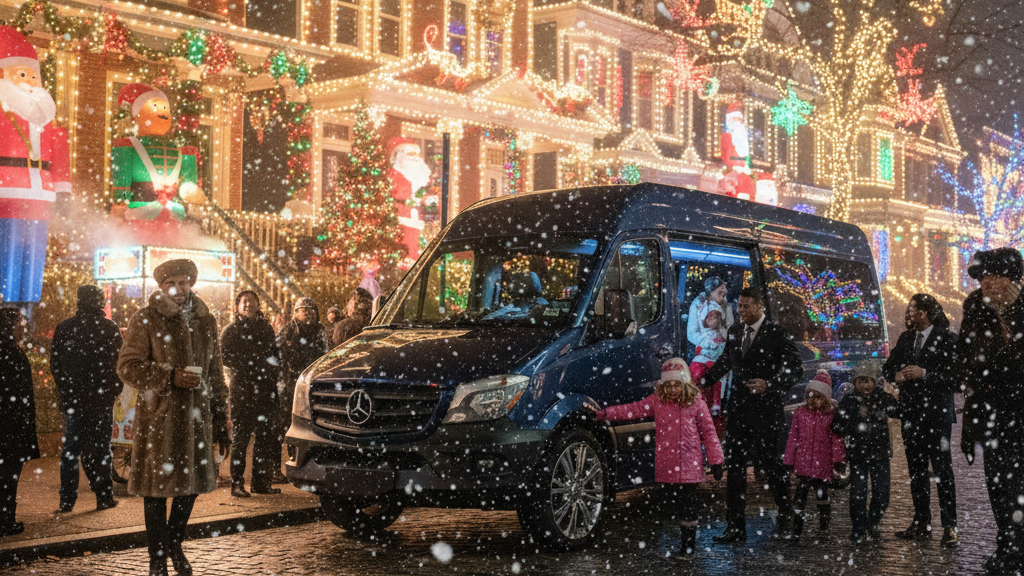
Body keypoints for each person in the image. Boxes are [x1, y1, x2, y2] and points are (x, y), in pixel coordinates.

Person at [116, 259, 230, 576]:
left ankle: (174, 544)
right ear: (161, 286)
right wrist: (169, 377)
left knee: (190, 488)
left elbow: (216, 372)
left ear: (191, 283)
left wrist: (221, 414)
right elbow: (127, 366)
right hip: (160, 421)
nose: (178, 289)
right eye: (171, 283)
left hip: (197, 420)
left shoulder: (206, 320)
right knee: (155, 492)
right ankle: (158, 560)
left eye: (184, 282)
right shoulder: (146, 318)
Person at [697, 286, 803, 542]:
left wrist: (770, 384)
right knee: (735, 468)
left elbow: (795, 368)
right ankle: (735, 526)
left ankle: (785, 510)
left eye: (746, 306)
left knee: (770, 465)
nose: (741, 311)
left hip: (766, 411)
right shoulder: (734, 332)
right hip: (739, 410)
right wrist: (704, 381)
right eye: (739, 306)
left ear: (759, 306)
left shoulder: (776, 333)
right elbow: (726, 362)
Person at [594, 358, 724, 558]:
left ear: (685, 383)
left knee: (688, 505)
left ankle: (688, 547)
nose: (673, 389)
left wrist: (716, 460)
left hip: (690, 464)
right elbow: (633, 409)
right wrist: (606, 414)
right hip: (668, 464)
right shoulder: (658, 401)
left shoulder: (696, 402)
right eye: (669, 385)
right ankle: (681, 541)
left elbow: (708, 431)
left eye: (677, 385)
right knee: (673, 504)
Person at [956, 247, 1024, 575]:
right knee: (997, 486)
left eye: (992, 276)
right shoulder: (975, 308)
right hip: (990, 414)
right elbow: (966, 363)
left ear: (1010, 277)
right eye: (982, 277)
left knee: (1017, 487)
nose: (986, 283)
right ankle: (1008, 545)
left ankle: (1015, 548)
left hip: (1020, 413)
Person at [0, 26, 72, 304]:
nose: (30, 83)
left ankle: (26, 311)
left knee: (34, 256)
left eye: (34, 76)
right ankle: (6, 312)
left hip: (42, 196)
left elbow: (61, 161)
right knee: (8, 253)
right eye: (22, 75)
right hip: (7, 193)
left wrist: (64, 193)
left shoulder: (51, 125)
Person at [882, 293, 959, 546]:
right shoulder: (906, 338)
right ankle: (921, 522)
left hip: (936, 415)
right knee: (916, 471)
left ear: (925, 312)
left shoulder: (947, 339)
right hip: (911, 414)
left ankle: (949, 526)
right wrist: (897, 376)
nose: (909, 313)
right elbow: (888, 368)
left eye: (913, 309)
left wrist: (924, 373)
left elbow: (955, 379)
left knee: (942, 470)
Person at [50, 285, 123, 513]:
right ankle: (103, 495)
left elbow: (57, 365)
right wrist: (112, 390)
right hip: (100, 399)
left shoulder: (65, 328)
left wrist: (66, 391)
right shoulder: (109, 328)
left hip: (75, 399)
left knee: (71, 450)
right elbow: (118, 365)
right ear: (100, 303)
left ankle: (67, 500)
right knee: (101, 449)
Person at [220, 290, 281, 498]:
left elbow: (274, 355)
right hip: (242, 391)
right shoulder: (230, 331)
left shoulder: (266, 328)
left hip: (264, 390)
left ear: (257, 305)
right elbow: (226, 357)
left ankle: (260, 482)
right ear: (237, 306)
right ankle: (237, 483)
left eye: (251, 301)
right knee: (241, 438)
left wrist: (271, 374)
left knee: (264, 438)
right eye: (244, 302)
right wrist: (251, 364)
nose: (248, 305)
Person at [831, 363, 898, 544]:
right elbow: (837, 425)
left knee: (882, 494)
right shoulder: (849, 400)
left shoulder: (883, 398)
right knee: (858, 493)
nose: (864, 386)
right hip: (858, 455)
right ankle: (858, 528)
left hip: (880, 454)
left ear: (874, 382)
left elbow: (899, 410)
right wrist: (851, 427)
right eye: (860, 381)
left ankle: (872, 522)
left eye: (867, 381)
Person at [782, 370, 845, 541]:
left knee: (822, 496)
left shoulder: (831, 415)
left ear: (825, 397)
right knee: (800, 498)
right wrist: (789, 460)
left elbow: (836, 440)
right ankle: (797, 528)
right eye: (809, 395)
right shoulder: (800, 413)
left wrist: (838, 461)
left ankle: (824, 523)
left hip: (822, 466)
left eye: (817, 397)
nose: (812, 400)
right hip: (803, 465)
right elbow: (793, 438)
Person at [276, 297, 327, 480]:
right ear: (296, 313)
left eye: (311, 310)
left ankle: (305, 465)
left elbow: (325, 355)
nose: (307, 313)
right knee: (286, 426)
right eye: (303, 309)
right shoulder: (288, 330)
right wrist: (285, 377)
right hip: (290, 384)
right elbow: (278, 353)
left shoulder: (319, 330)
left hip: (311, 384)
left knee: (309, 426)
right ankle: (279, 467)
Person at [0, 308, 38, 537]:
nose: (23, 327)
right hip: (10, 426)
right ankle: (5, 520)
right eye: (19, 323)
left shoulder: (9, 350)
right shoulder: (9, 352)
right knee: (7, 476)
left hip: (10, 424)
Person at [387, 137, 432, 261]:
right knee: (403, 242)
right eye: (410, 154)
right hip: (400, 216)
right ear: (399, 155)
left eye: (416, 154)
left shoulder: (417, 176)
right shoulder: (393, 174)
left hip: (415, 216)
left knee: (414, 240)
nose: (415, 157)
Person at [717, 102, 756, 200]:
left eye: (739, 119)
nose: (737, 122)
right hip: (731, 170)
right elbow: (725, 155)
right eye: (734, 119)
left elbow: (746, 155)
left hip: (743, 171)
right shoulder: (726, 136)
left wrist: (746, 166)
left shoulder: (743, 137)